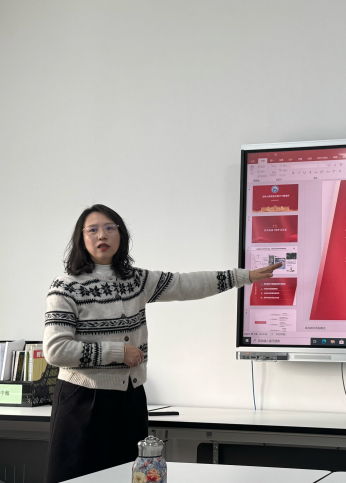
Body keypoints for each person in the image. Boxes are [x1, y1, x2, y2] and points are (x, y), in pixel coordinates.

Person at [43, 204, 281, 483]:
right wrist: (117, 352)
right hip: (83, 402)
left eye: (109, 228)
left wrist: (244, 277)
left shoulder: (137, 280)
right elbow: (56, 351)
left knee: (129, 477)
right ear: (81, 238)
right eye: (92, 230)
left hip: (130, 399)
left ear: (121, 235)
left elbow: (186, 284)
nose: (102, 235)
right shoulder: (66, 286)